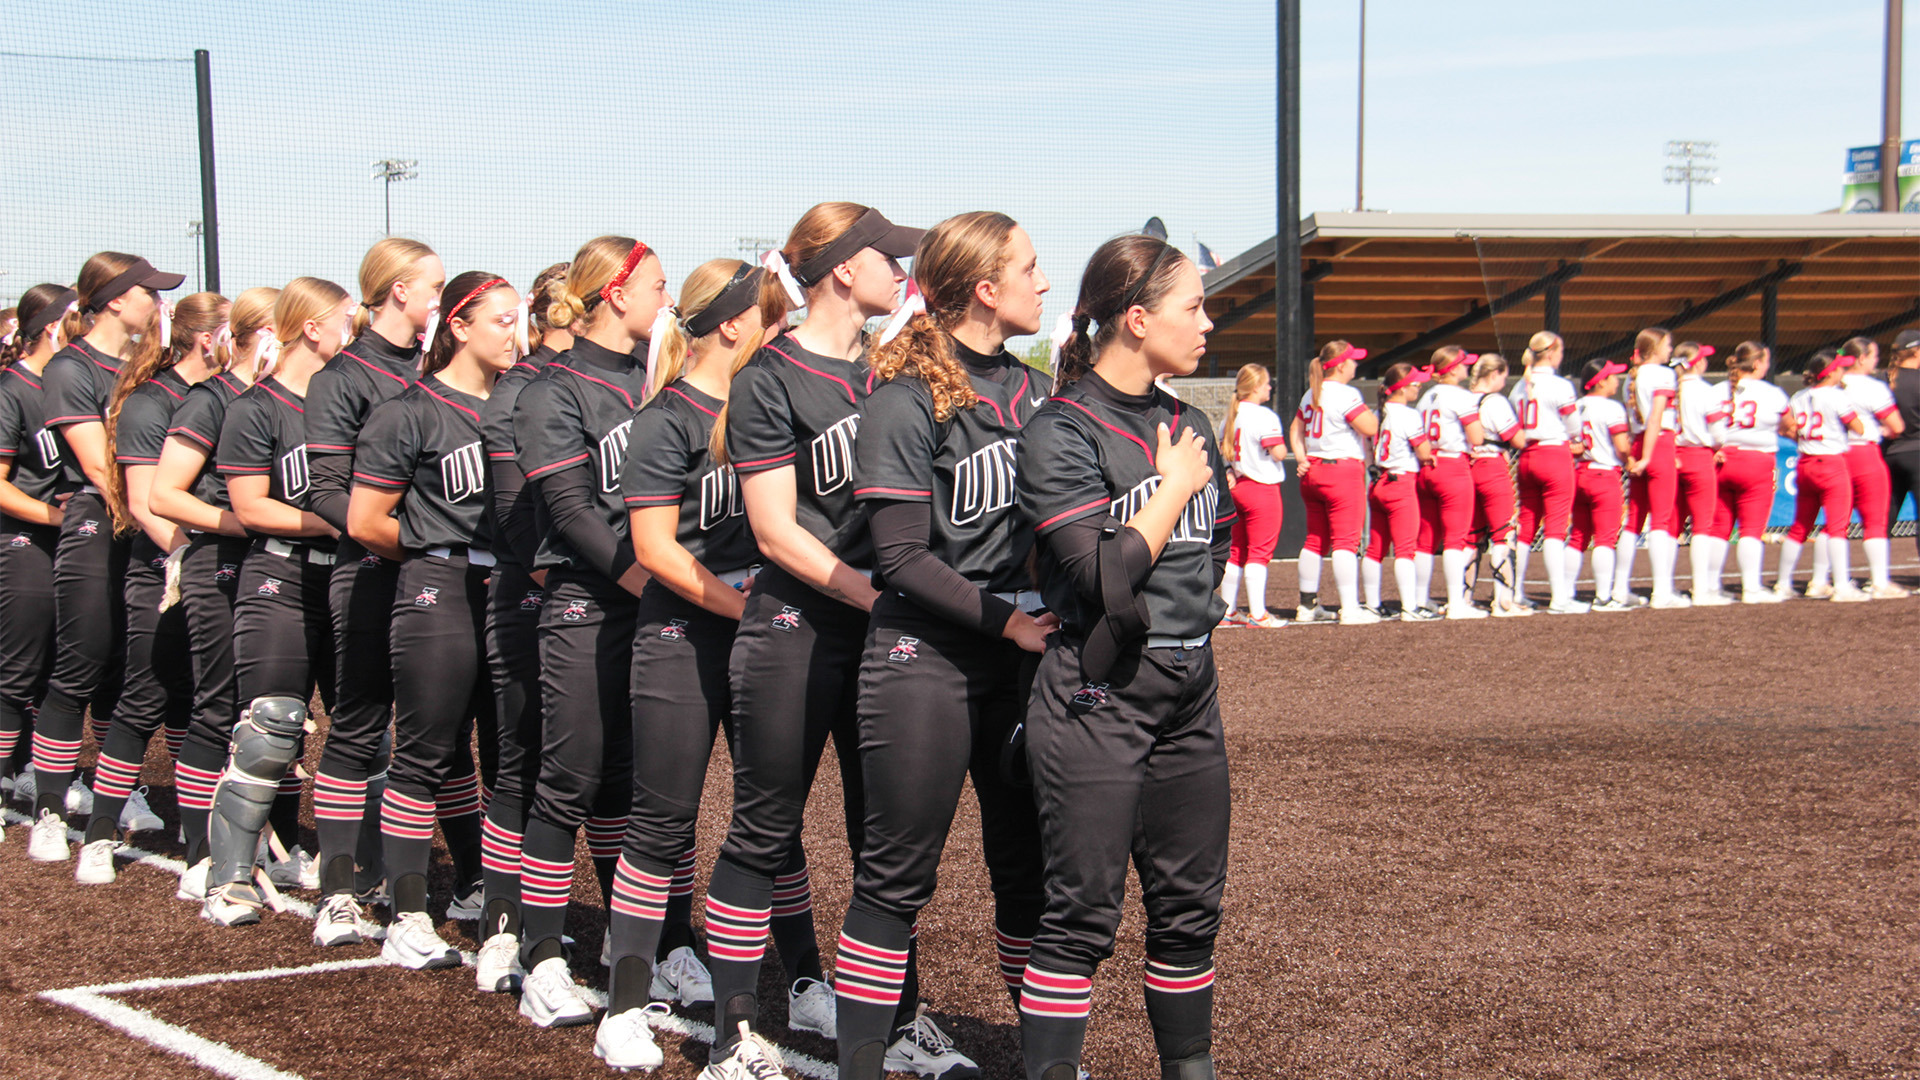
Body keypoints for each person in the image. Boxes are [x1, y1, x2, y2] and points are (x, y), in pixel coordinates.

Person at [700, 202, 922, 1077]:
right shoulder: (769, 377)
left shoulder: (893, 375)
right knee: (763, 828)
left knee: (885, 840)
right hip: (798, 628)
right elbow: (775, 532)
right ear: (840, 270)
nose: (901, 270)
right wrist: (886, 597)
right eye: (886, 256)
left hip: (881, 630)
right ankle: (732, 1038)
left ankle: (901, 1026)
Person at [832, 212, 1055, 1080]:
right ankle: (862, 1061)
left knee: (1028, 871)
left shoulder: (1035, 394)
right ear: (986, 290)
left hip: (1019, 658)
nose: (1045, 282)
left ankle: (1047, 1057)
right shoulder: (903, 395)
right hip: (924, 658)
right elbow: (898, 558)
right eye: (1030, 268)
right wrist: (1006, 620)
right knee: (895, 878)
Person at [1013, 234, 1233, 1080]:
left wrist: (1188, 605)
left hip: (1191, 689)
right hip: (1099, 692)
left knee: (1189, 911)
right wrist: (1173, 487)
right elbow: (1100, 576)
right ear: (1137, 319)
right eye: (1192, 307)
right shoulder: (1061, 429)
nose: (1206, 323)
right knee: (1081, 917)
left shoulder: (1191, 421)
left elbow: (1216, 545)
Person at [592, 259, 769, 1069]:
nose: (779, 325)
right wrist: (749, 610)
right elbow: (654, 549)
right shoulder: (668, 418)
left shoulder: (767, 406)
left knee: (774, 827)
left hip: (760, 630)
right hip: (682, 633)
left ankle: (796, 986)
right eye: (768, 312)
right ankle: (624, 1005)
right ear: (731, 323)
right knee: (661, 822)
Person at [509, 236, 666, 1028]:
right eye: (657, 287)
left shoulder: (652, 381)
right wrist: (647, 581)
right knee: (567, 779)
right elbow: (569, 512)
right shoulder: (552, 389)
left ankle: (637, 945)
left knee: (629, 787)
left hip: (650, 605)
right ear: (615, 294)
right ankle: (537, 955)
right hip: (586, 602)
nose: (665, 301)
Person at [346, 271, 522, 972]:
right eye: (502, 321)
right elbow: (365, 521)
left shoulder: (520, 407)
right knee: (423, 753)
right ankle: (408, 914)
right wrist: (432, 550)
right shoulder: (408, 410)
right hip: (439, 585)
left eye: (518, 320)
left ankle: (502, 918)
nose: (516, 333)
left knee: (510, 762)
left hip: (510, 588)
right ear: (458, 326)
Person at [306, 238, 451, 938]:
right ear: (397, 290)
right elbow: (331, 493)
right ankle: (336, 890)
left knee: (436, 741)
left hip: (439, 586)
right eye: (432, 285)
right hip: (368, 573)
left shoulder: (433, 368)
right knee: (359, 729)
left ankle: (420, 884)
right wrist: (416, 538)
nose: (438, 297)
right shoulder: (344, 375)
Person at [200, 278, 349, 927]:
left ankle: (353, 874)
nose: (355, 331)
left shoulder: (350, 405)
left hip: (346, 579)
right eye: (345, 320)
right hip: (279, 579)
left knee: (359, 732)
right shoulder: (256, 407)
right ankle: (227, 879)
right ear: (311, 328)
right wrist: (336, 520)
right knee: (271, 727)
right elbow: (249, 505)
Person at [26, 252, 183, 863]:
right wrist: (153, 506)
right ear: (116, 299)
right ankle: (49, 806)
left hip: (139, 523)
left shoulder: (149, 364)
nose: (159, 303)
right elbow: (98, 463)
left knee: (130, 669)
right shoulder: (71, 366)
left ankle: (124, 786)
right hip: (99, 521)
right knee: (81, 663)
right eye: (150, 292)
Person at [75, 291, 229, 884]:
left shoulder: (225, 397)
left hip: (213, 568)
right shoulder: (151, 401)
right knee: (144, 699)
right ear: (206, 338)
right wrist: (190, 559)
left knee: (204, 706)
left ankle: (203, 847)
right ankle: (98, 834)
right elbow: (143, 502)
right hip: (162, 570)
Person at [151, 286, 282, 895]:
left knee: (269, 712)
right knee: (217, 703)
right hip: (219, 562)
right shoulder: (211, 400)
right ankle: (203, 851)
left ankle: (267, 843)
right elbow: (163, 495)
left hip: (269, 567)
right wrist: (244, 521)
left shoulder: (282, 399)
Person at [472, 260, 568, 996]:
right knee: (522, 763)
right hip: (533, 596)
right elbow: (519, 524)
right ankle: (503, 926)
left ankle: (662, 942)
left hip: (600, 600)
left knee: (608, 782)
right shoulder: (516, 395)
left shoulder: (627, 383)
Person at [0, 285, 73, 837]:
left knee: (58, 666)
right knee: (17, 670)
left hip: (68, 542)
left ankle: (33, 771)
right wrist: (54, 518)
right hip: (22, 540)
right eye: (76, 316)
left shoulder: (65, 384)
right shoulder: (13, 388)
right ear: (51, 326)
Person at [1287, 340, 1377, 625]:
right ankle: (1349, 608)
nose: (1356, 364)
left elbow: (1295, 429)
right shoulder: (1346, 392)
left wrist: (1302, 459)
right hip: (1341, 470)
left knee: (1315, 539)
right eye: (1352, 360)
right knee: (1345, 542)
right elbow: (1370, 428)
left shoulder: (1312, 391)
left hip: (1314, 469)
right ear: (1340, 364)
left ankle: (1307, 605)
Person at [1774, 350, 1868, 601]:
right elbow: (1858, 427)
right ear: (1831, 372)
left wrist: (1800, 436)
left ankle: (1783, 583)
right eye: (1840, 368)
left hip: (1805, 463)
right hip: (1832, 463)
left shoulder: (1799, 395)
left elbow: (1785, 428)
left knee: (1799, 527)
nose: (1843, 372)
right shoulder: (1837, 396)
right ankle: (1842, 586)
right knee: (1837, 527)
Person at [1705, 342, 1790, 604]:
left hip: (1722, 460)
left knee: (1719, 528)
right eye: (1765, 361)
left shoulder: (1716, 390)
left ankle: (1710, 586)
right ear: (1756, 364)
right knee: (1751, 529)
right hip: (1756, 461)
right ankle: (1751, 588)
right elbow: (1789, 426)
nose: (1767, 365)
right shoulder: (1772, 392)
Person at [1508, 331, 1586, 614]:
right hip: (1554, 455)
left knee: (1526, 527)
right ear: (1552, 352)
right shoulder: (1559, 384)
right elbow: (1575, 426)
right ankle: (1560, 597)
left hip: (1527, 456)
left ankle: (1515, 591)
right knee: (1555, 528)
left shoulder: (1520, 385)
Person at [1412, 345, 1486, 619]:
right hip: (1453, 466)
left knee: (1425, 539)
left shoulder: (1426, 396)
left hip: (1426, 466)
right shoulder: (1461, 395)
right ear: (1453, 368)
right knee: (1456, 538)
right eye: (1463, 364)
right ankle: (1457, 602)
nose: (1467, 368)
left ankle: (1421, 599)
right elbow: (1477, 437)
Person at [1831, 337, 1907, 597]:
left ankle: (1825, 581)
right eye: (1874, 356)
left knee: (1835, 522)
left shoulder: (1831, 384)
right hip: (1864, 454)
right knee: (1875, 519)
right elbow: (1896, 426)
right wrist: (1881, 429)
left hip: (1835, 455)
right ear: (1861, 358)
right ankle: (1879, 581)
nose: (1877, 361)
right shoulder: (1873, 387)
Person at [1363, 362, 1432, 619]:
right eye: (1415, 384)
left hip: (1378, 481)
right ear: (1402, 388)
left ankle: (1372, 604)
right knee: (1405, 549)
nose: (1419, 387)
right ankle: (1409, 607)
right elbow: (1423, 451)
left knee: (1375, 548)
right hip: (1401, 482)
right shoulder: (1408, 414)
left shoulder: (1375, 412)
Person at [1218, 364, 1285, 627]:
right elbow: (1278, 452)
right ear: (1256, 386)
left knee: (1235, 551)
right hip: (1261, 488)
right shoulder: (1263, 415)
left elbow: (1225, 454)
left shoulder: (1230, 416)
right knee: (1259, 553)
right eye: (1267, 383)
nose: (1270, 387)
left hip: (1238, 488)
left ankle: (1227, 611)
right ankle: (1258, 614)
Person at [1618, 327, 1680, 607]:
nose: (1671, 350)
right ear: (1655, 348)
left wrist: (1638, 455)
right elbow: (1656, 418)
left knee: (1633, 520)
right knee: (1661, 520)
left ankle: (1620, 588)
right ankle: (1662, 591)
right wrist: (1648, 455)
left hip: (1638, 441)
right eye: (1668, 345)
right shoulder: (1663, 374)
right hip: (1658, 443)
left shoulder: (1632, 377)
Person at [1466, 354, 1530, 616]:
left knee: (1471, 537)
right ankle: (1504, 600)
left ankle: (1463, 598)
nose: (1504, 382)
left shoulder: (1463, 398)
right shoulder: (1496, 401)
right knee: (1504, 532)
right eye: (1503, 376)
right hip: (1492, 467)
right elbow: (1516, 439)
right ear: (1494, 374)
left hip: (1467, 468)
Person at [1568, 359, 1633, 612]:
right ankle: (1603, 597)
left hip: (1579, 473)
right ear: (1601, 381)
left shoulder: (1575, 406)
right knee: (1605, 539)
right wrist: (1633, 460)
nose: (1617, 380)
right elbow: (1622, 447)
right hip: (1604, 475)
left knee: (1577, 538)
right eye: (1612, 376)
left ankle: (1565, 593)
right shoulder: (1611, 407)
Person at [1669, 343, 1730, 605]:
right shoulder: (1706, 391)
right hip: (1699, 456)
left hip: (1671, 457)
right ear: (1697, 363)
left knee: (1670, 525)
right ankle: (1701, 588)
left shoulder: (1670, 388)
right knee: (1702, 526)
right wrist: (1719, 447)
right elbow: (1718, 433)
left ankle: (1665, 587)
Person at [1884, 330, 1920, 564]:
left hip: (1888, 454)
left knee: (1885, 516)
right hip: (1917, 454)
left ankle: (1877, 577)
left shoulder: (1885, 380)